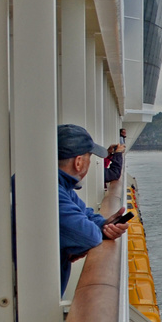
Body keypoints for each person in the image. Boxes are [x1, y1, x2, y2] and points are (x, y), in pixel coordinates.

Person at [57, 124, 126, 294]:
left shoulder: (61, 186)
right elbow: (89, 236)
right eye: (90, 158)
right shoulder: (50, 191)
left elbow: (85, 213)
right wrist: (101, 230)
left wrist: (104, 224)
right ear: (79, 162)